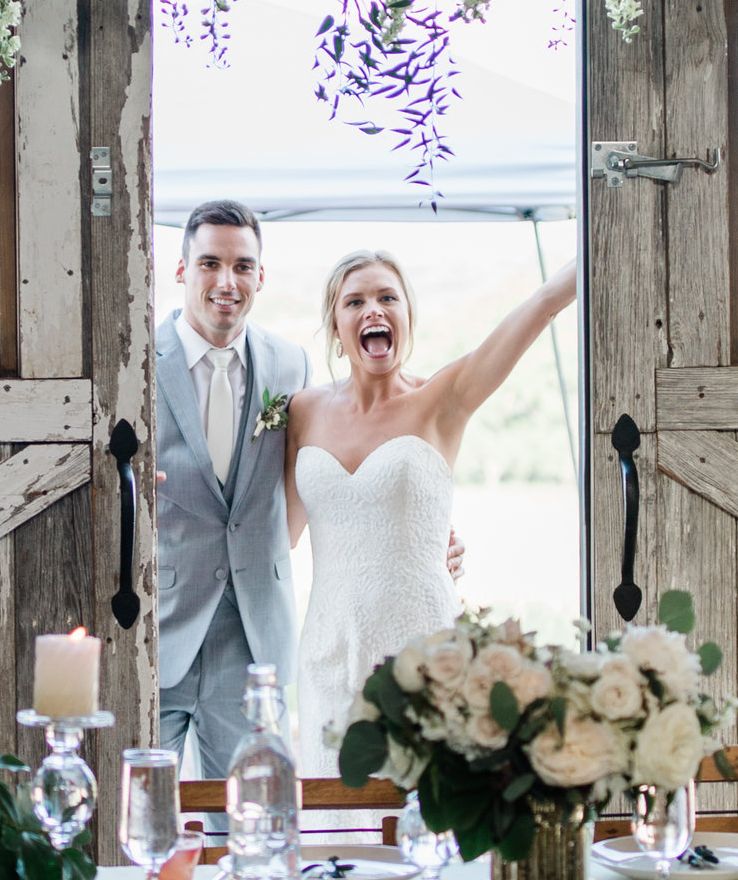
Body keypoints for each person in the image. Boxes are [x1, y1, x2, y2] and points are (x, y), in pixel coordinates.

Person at [288, 247, 577, 771]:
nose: (372, 310)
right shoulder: (303, 411)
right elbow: (278, 532)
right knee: (332, 815)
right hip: (329, 648)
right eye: (355, 301)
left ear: (407, 316)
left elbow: (540, 307)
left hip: (421, 643)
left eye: (386, 297)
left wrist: (595, 248)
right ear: (335, 326)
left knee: (422, 812)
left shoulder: (442, 399)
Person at [153, 202, 311, 778]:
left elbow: (317, 469)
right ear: (181, 270)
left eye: (243, 266)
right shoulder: (139, 361)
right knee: (136, 813)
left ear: (260, 277)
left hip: (252, 635)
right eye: (210, 263)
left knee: (252, 817)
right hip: (158, 624)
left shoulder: (290, 365)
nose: (227, 282)